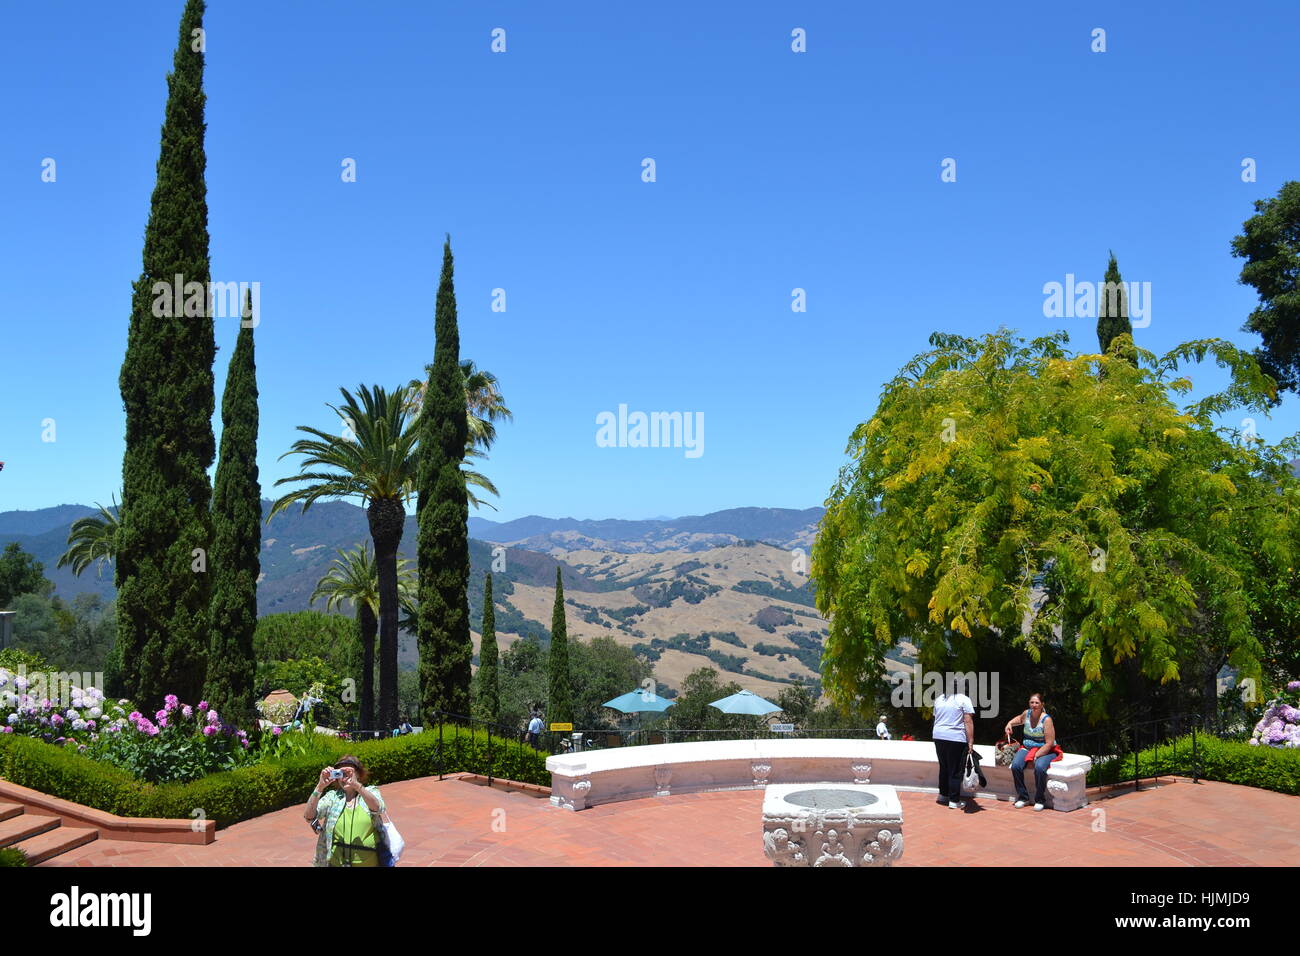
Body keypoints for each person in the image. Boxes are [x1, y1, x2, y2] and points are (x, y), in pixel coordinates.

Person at [304, 755, 387, 867]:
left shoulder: (369, 792)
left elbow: (378, 808)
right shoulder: (333, 797)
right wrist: (319, 787)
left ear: (358, 774)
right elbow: (309, 816)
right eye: (341, 774)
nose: (344, 778)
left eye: (348, 773)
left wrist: (356, 785)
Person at [1004, 692, 1057, 811]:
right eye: (1032, 702)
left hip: (1045, 749)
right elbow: (1019, 719)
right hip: (1027, 747)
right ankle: (1023, 797)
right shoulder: (1027, 713)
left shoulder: (1046, 719)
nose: (1034, 705)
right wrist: (1010, 723)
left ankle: (1040, 799)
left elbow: (1049, 743)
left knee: (1039, 768)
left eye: (1037, 703)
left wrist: (1036, 756)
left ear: (1042, 704)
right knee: (1016, 766)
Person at [931, 688, 974, 809]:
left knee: (944, 766)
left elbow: (936, 717)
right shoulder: (964, 699)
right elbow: (968, 721)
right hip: (955, 737)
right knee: (955, 769)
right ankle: (954, 800)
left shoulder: (939, 699)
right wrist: (970, 741)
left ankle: (943, 795)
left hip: (938, 736)